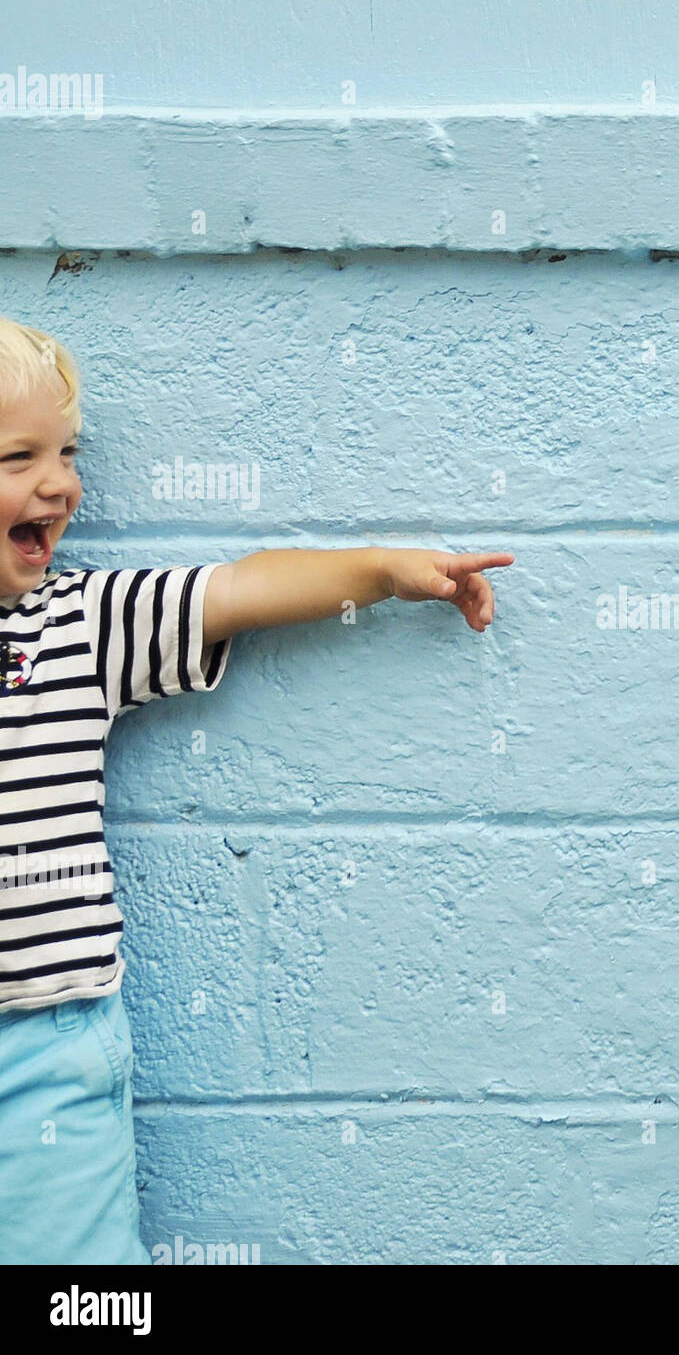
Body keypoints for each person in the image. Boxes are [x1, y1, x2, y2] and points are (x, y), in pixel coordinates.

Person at [0, 316, 513, 1262]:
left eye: (65, 452)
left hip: (46, 1047)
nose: (60, 483)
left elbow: (235, 591)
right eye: (16, 456)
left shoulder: (78, 625)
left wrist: (383, 572)